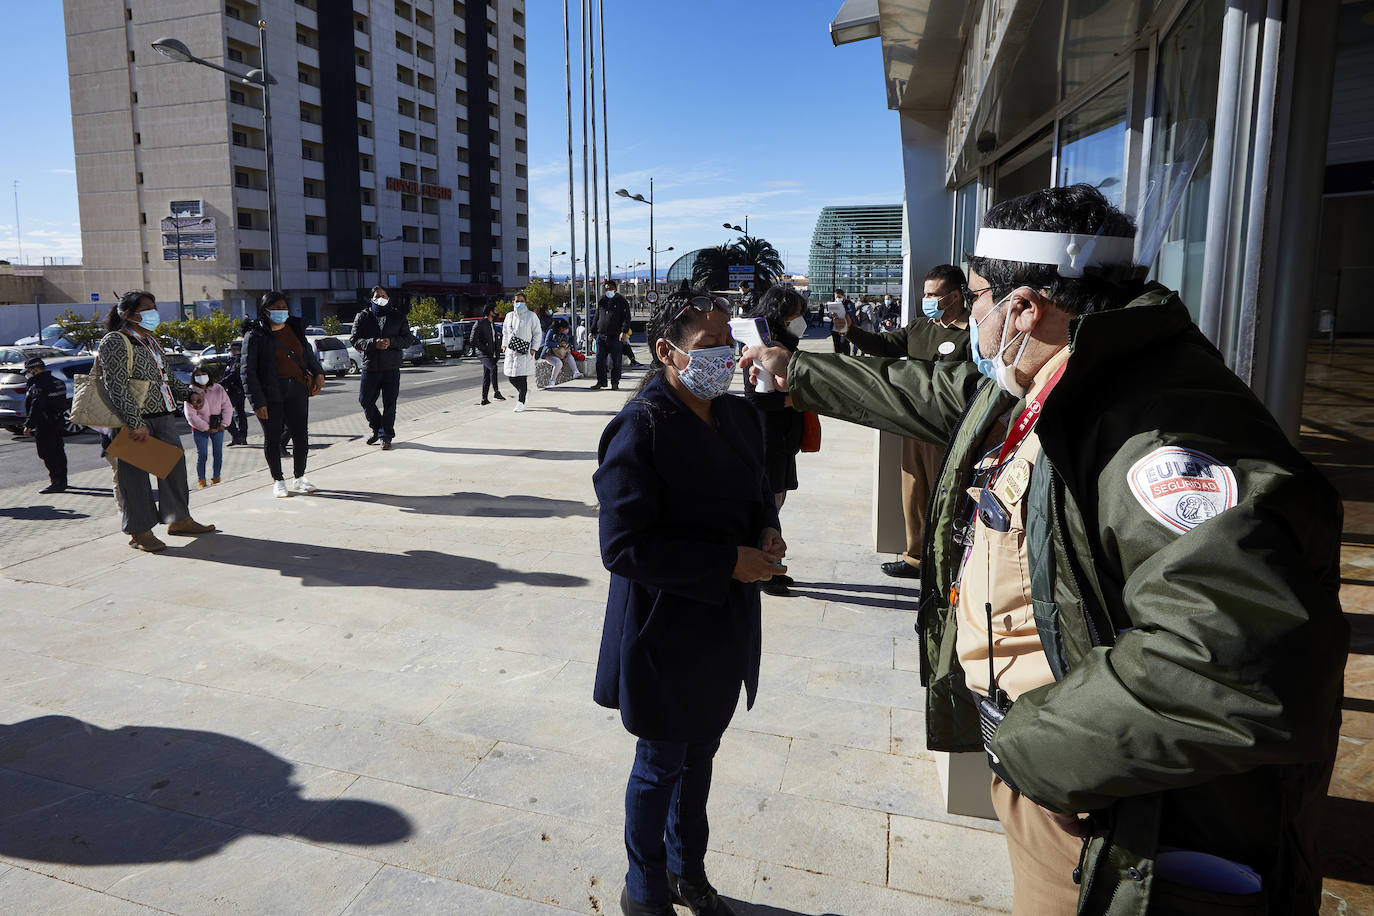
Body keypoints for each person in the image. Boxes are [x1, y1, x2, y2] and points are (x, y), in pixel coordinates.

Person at [743, 184, 1347, 916]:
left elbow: (1228, 662)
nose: (968, 318)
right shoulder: (1052, 377)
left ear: (1024, 307)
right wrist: (795, 372)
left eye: (975, 298)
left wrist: (1033, 752)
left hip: (1109, 811)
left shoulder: (1158, 433)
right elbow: (931, 392)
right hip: (1077, 781)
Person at [594, 284, 785, 916]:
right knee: (660, 762)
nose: (724, 357)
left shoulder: (737, 416)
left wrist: (767, 528)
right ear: (666, 351)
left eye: (730, 343)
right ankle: (643, 885)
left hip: (724, 624)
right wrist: (729, 561)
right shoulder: (639, 428)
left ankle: (687, 869)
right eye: (708, 345)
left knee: (700, 754)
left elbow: (758, 487)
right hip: (664, 626)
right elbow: (623, 548)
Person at [838, 265, 972, 579]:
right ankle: (915, 559)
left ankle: (947, 560)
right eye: (925, 293)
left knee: (948, 495)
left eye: (932, 294)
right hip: (913, 425)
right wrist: (848, 331)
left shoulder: (972, 332)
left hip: (947, 431)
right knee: (913, 493)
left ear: (954, 296)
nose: (925, 299)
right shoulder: (919, 328)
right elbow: (883, 346)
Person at [98, 290, 215, 552]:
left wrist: (189, 394)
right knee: (134, 478)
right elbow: (115, 386)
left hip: (162, 415)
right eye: (146, 308)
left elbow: (166, 378)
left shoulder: (151, 341)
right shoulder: (115, 341)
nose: (153, 313)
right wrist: (133, 420)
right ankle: (140, 532)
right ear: (126, 314)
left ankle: (178, 519)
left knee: (173, 469)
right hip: (134, 421)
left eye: (154, 307)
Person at [742, 286, 809, 597]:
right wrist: (795, 400)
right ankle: (764, 571)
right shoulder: (761, 348)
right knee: (769, 506)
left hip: (784, 440)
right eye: (795, 315)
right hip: (768, 440)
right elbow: (756, 399)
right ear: (780, 316)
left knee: (776, 503)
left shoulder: (786, 345)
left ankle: (770, 566)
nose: (800, 321)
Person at [242, 291, 325, 498]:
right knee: (272, 438)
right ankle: (278, 480)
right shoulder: (255, 335)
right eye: (276, 308)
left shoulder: (294, 329)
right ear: (265, 310)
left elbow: (306, 354)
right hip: (271, 394)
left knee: (300, 436)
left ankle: (299, 477)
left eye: (284, 307)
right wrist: (256, 401)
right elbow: (247, 371)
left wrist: (319, 373)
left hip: (297, 389)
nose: (281, 312)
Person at [350, 286, 416, 449]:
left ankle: (386, 436)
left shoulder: (398, 316)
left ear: (388, 297)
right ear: (371, 299)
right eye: (377, 296)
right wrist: (373, 343)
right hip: (370, 367)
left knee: (389, 404)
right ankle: (377, 429)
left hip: (391, 367)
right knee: (365, 400)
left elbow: (408, 339)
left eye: (383, 295)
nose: (380, 298)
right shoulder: (362, 316)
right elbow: (355, 339)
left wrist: (390, 342)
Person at [21, 356, 69, 494]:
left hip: (45, 424)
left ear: (35, 369)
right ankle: (62, 480)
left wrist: (29, 424)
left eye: (30, 370)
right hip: (58, 422)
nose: (29, 373)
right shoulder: (58, 381)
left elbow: (37, 405)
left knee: (46, 453)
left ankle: (57, 482)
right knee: (59, 451)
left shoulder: (39, 385)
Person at [184, 366, 234, 489]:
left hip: (218, 427)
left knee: (218, 453)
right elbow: (190, 415)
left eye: (204, 374)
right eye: (198, 375)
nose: (201, 378)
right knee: (202, 455)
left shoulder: (218, 389)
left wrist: (224, 424)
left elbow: (227, 406)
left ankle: (216, 477)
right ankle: (201, 480)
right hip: (200, 429)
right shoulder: (191, 392)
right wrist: (206, 427)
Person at [502, 292, 541, 412]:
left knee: (522, 377)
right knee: (512, 377)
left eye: (521, 301)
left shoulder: (531, 316)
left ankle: (521, 401)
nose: (519, 303)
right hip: (511, 351)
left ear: (525, 302)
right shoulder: (509, 316)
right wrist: (504, 345)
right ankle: (523, 392)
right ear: (513, 302)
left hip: (525, 351)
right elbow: (505, 332)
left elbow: (537, 333)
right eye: (516, 301)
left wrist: (534, 349)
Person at [592, 279, 631, 390]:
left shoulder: (622, 302)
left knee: (616, 362)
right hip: (601, 336)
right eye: (606, 289)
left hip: (616, 336)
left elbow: (626, 318)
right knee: (599, 360)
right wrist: (592, 330)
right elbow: (597, 316)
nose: (608, 291)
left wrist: (624, 332)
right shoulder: (602, 301)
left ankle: (615, 383)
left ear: (615, 289)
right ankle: (601, 382)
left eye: (610, 289)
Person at [472, 302, 505, 405]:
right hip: (483, 353)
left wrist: (497, 352)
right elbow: (472, 339)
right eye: (495, 309)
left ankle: (484, 399)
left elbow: (494, 339)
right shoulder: (480, 323)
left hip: (491, 353)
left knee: (487, 375)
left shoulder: (492, 324)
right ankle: (496, 392)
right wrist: (484, 348)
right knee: (493, 367)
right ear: (490, 311)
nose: (497, 311)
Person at [220, 339, 249, 446]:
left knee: (224, 412)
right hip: (236, 390)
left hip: (235, 390)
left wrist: (220, 383)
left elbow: (233, 375)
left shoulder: (238, 360)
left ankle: (237, 435)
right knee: (239, 413)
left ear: (235, 350)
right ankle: (239, 437)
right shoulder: (234, 360)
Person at [540, 316, 581, 388]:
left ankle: (576, 372)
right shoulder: (551, 331)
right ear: (560, 328)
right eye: (564, 328)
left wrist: (566, 345)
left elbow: (567, 342)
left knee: (570, 356)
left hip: (561, 353)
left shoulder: (564, 334)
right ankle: (552, 381)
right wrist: (558, 344)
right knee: (558, 363)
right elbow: (547, 343)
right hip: (550, 353)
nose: (566, 330)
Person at [826, 289, 851, 355]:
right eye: (836, 297)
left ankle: (847, 358)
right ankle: (837, 359)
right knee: (836, 346)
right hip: (835, 328)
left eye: (839, 297)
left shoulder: (848, 303)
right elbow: (828, 313)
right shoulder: (833, 303)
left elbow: (851, 312)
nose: (837, 298)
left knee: (844, 344)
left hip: (844, 327)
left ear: (843, 296)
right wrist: (831, 314)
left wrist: (843, 312)